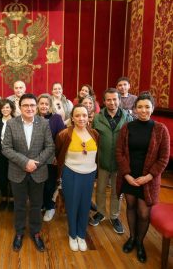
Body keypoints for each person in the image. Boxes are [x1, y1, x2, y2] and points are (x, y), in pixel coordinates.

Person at [116, 92, 170, 263]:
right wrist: (126, 174)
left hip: (148, 180)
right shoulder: (127, 127)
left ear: (152, 108)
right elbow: (119, 152)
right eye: (140, 107)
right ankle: (132, 238)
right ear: (135, 108)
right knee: (130, 206)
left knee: (144, 213)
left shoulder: (161, 130)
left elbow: (164, 158)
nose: (143, 110)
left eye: (147, 106)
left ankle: (140, 243)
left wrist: (149, 177)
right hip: (129, 177)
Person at [2, 93, 55, 252]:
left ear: (36, 106)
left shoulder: (44, 123)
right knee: (19, 205)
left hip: (38, 173)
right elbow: (6, 148)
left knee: (36, 205)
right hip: (17, 172)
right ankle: (19, 233)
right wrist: (25, 162)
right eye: (26, 105)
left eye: (32, 105)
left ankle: (36, 232)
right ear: (20, 107)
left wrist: (35, 163)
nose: (29, 108)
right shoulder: (11, 124)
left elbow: (50, 147)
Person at [56, 104, 98, 251]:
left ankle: (81, 234)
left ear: (88, 117)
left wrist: (96, 178)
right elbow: (58, 154)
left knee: (85, 206)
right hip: (71, 173)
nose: (81, 118)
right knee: (72, 206)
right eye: (78, 115)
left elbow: (96, 157)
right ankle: (72, 235)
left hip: (89, 175)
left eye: (84, 115)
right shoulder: (64, 134)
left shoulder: (94, 133)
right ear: (72, 118)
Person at [89, 88, 133, 233]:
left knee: (117, 191)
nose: (112, 102)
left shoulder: (128, 118)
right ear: (104, 101)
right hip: (102, 161)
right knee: (100, 189)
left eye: (115, 99)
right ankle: (100, 212)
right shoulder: (97, 118)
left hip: (120, 163)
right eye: (109, 99)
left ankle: (114, 216)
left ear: (119, 100)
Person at [37, 93, 65, 221]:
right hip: (35, 158)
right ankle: (41, 204)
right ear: (37, 105)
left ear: (50, 106)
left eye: (46, 104)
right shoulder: (33, 117)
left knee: (49, 184)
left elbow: (61, 140)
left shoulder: (56, 119)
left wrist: (57, 157)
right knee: (38, 184)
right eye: (41, 103)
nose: (43, 106)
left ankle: (50, 207)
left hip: (51, 158)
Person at [0, 99, 16, 211]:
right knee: (2, 177)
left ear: (11, 108)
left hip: (14, 154)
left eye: (7, 107)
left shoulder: (18, 121)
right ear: (0, 110)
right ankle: (3, 198)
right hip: (0, 155)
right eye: (3, 108)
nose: (5, 109)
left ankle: (12, 199)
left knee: (13, 177)